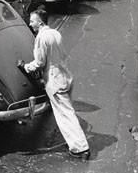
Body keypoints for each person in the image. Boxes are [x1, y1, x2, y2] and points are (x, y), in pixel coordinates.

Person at [21, 10, 91, 160]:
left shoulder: (41, 37)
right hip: (65, 74)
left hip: (54, 79)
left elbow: (40, 63)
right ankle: (74, 143)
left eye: (32, 21)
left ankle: (81, 148)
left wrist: (25, 67)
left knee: (66, 115)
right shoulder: (55, 33)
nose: (30, 24)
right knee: (68, 111)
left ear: (40, 22)